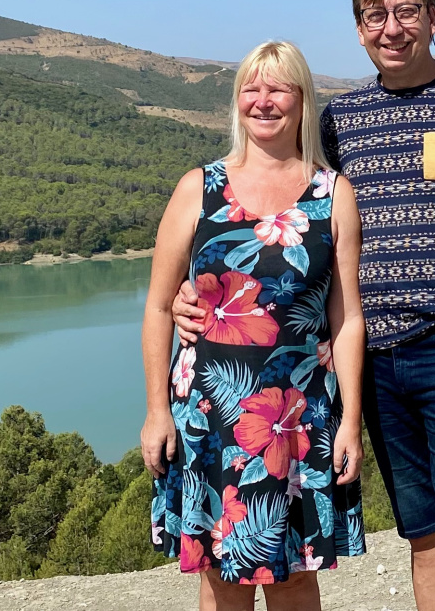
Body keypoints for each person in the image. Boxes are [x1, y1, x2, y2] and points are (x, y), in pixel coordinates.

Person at [175, 0, 435, 611]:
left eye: (407, 11)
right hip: (376, 365)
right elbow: (290, 222)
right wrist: (204, 293)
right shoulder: (342, 119)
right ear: (359, 30)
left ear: (433, 18)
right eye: (375, 16)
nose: (392, 28)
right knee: (426, 537)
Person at [140, 40, 368, 611]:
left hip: (298, 418)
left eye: (278, 88)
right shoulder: (198, 188)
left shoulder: (333, 195)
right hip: (210, 417)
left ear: (302, 101)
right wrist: (156, 412)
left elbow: (347, 321)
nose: (263, 101)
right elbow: (157, 305)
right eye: (252, 87)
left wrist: (351, 423)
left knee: (294, 574)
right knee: (219, 574)